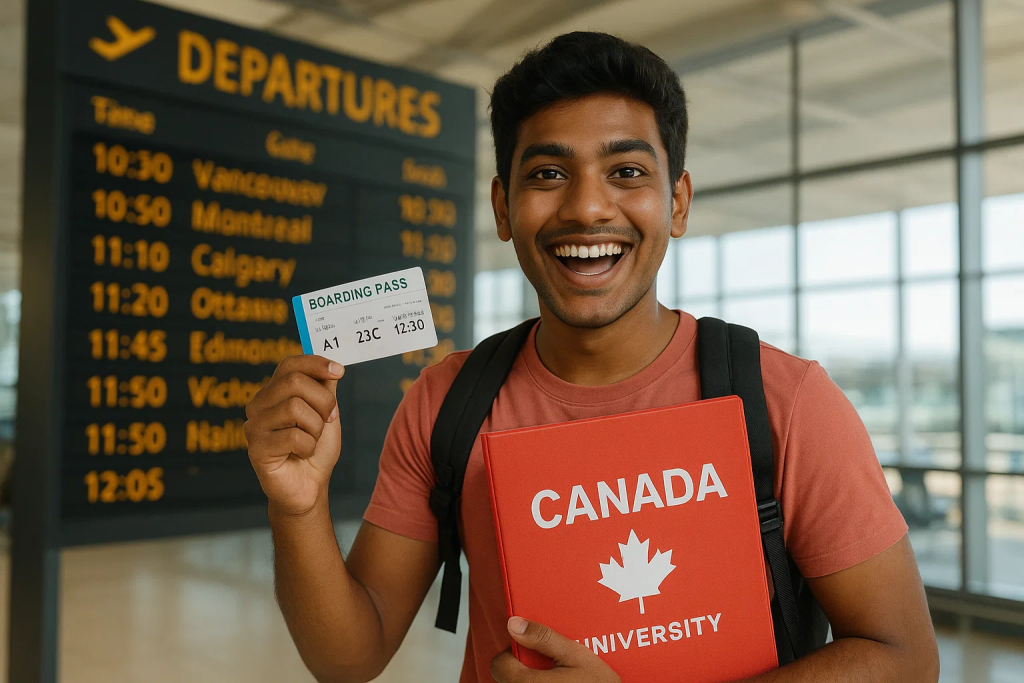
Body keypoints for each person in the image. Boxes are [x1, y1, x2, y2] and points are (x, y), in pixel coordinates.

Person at [244, 31, 940, 683]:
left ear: (677, 202)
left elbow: (903, 655)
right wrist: (297, 508)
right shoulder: (446, 403)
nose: (586, 207)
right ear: (502, 208)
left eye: (626, 170)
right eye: (548, 172)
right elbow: (350, 655)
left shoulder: (785, 400)